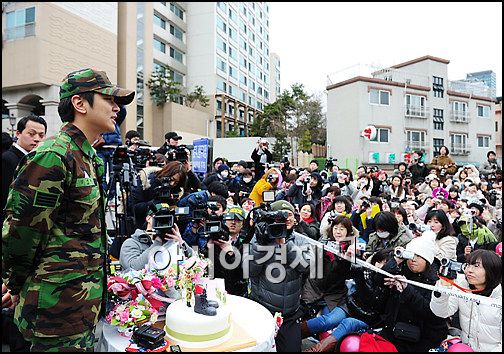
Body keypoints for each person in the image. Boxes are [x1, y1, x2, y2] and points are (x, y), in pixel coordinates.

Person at [2, 68, 135, 351]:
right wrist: (15, 285)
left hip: (81, 306)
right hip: (54, 310)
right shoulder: (54, 155)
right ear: (79, 103)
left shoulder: (87, 156)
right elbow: (22, 233)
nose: (116, 108)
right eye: (108, 99)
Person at [247, 200, 314, 352]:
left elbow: (305, 266)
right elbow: (250, 271)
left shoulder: (301, 240)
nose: (286, 219)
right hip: (263, 311)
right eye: (281, 217)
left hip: (290, 315)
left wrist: (285, 244)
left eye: (289, 214)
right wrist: (261, 246)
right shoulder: (259, 239)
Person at [374, 231, 448, 352]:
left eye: (419, 256)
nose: (413, 259)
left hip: (420, 337)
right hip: (394, 330)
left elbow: (431, 312)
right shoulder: (400, 270)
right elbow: (378, 281)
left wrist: (407, 289)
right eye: (411, 255)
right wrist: (395, 260)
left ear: (428, 260)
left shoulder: (435, 280)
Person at [430, 249, 502, 352]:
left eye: (476, 266)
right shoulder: (462, 286)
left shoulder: (499, 297)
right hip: (465, 348)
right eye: (468, 265)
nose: (469, 270)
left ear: (492, 270)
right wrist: (443, 287)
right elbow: (441, 312)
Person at [119, 203, 193, 271]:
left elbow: (194, 263)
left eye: (167, 219)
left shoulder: (172, 240)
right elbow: (132, 268)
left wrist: (181, 242)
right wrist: (157, 243)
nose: (163, 221)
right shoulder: (132, 243)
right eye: (159, 218)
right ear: (148, 218)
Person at [2, 115, 47, 222]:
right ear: (18, 133)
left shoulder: (37, 159)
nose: (37, 139)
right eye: (31, 134)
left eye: (41, 135)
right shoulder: (7, 159)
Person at [130, 160, 187, 229]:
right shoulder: (146, 182)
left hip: (165, 226)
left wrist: (173, 203)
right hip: (142, 225)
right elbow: (132, 207)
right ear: (166, 173)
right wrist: (155, 203)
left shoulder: (177, 191)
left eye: (176, 183)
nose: (172, 184)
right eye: (171, 179)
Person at [207, 206, 248, 297]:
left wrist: (230, 253)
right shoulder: (215, 237)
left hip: (236, 291)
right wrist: (209, 249)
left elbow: (243, 271)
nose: (233, 222)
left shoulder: (246, 241)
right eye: (230, 219)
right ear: (225, 221)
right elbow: (207, 264)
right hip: (215, 286)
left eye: (237, 220)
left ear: (242, 224)